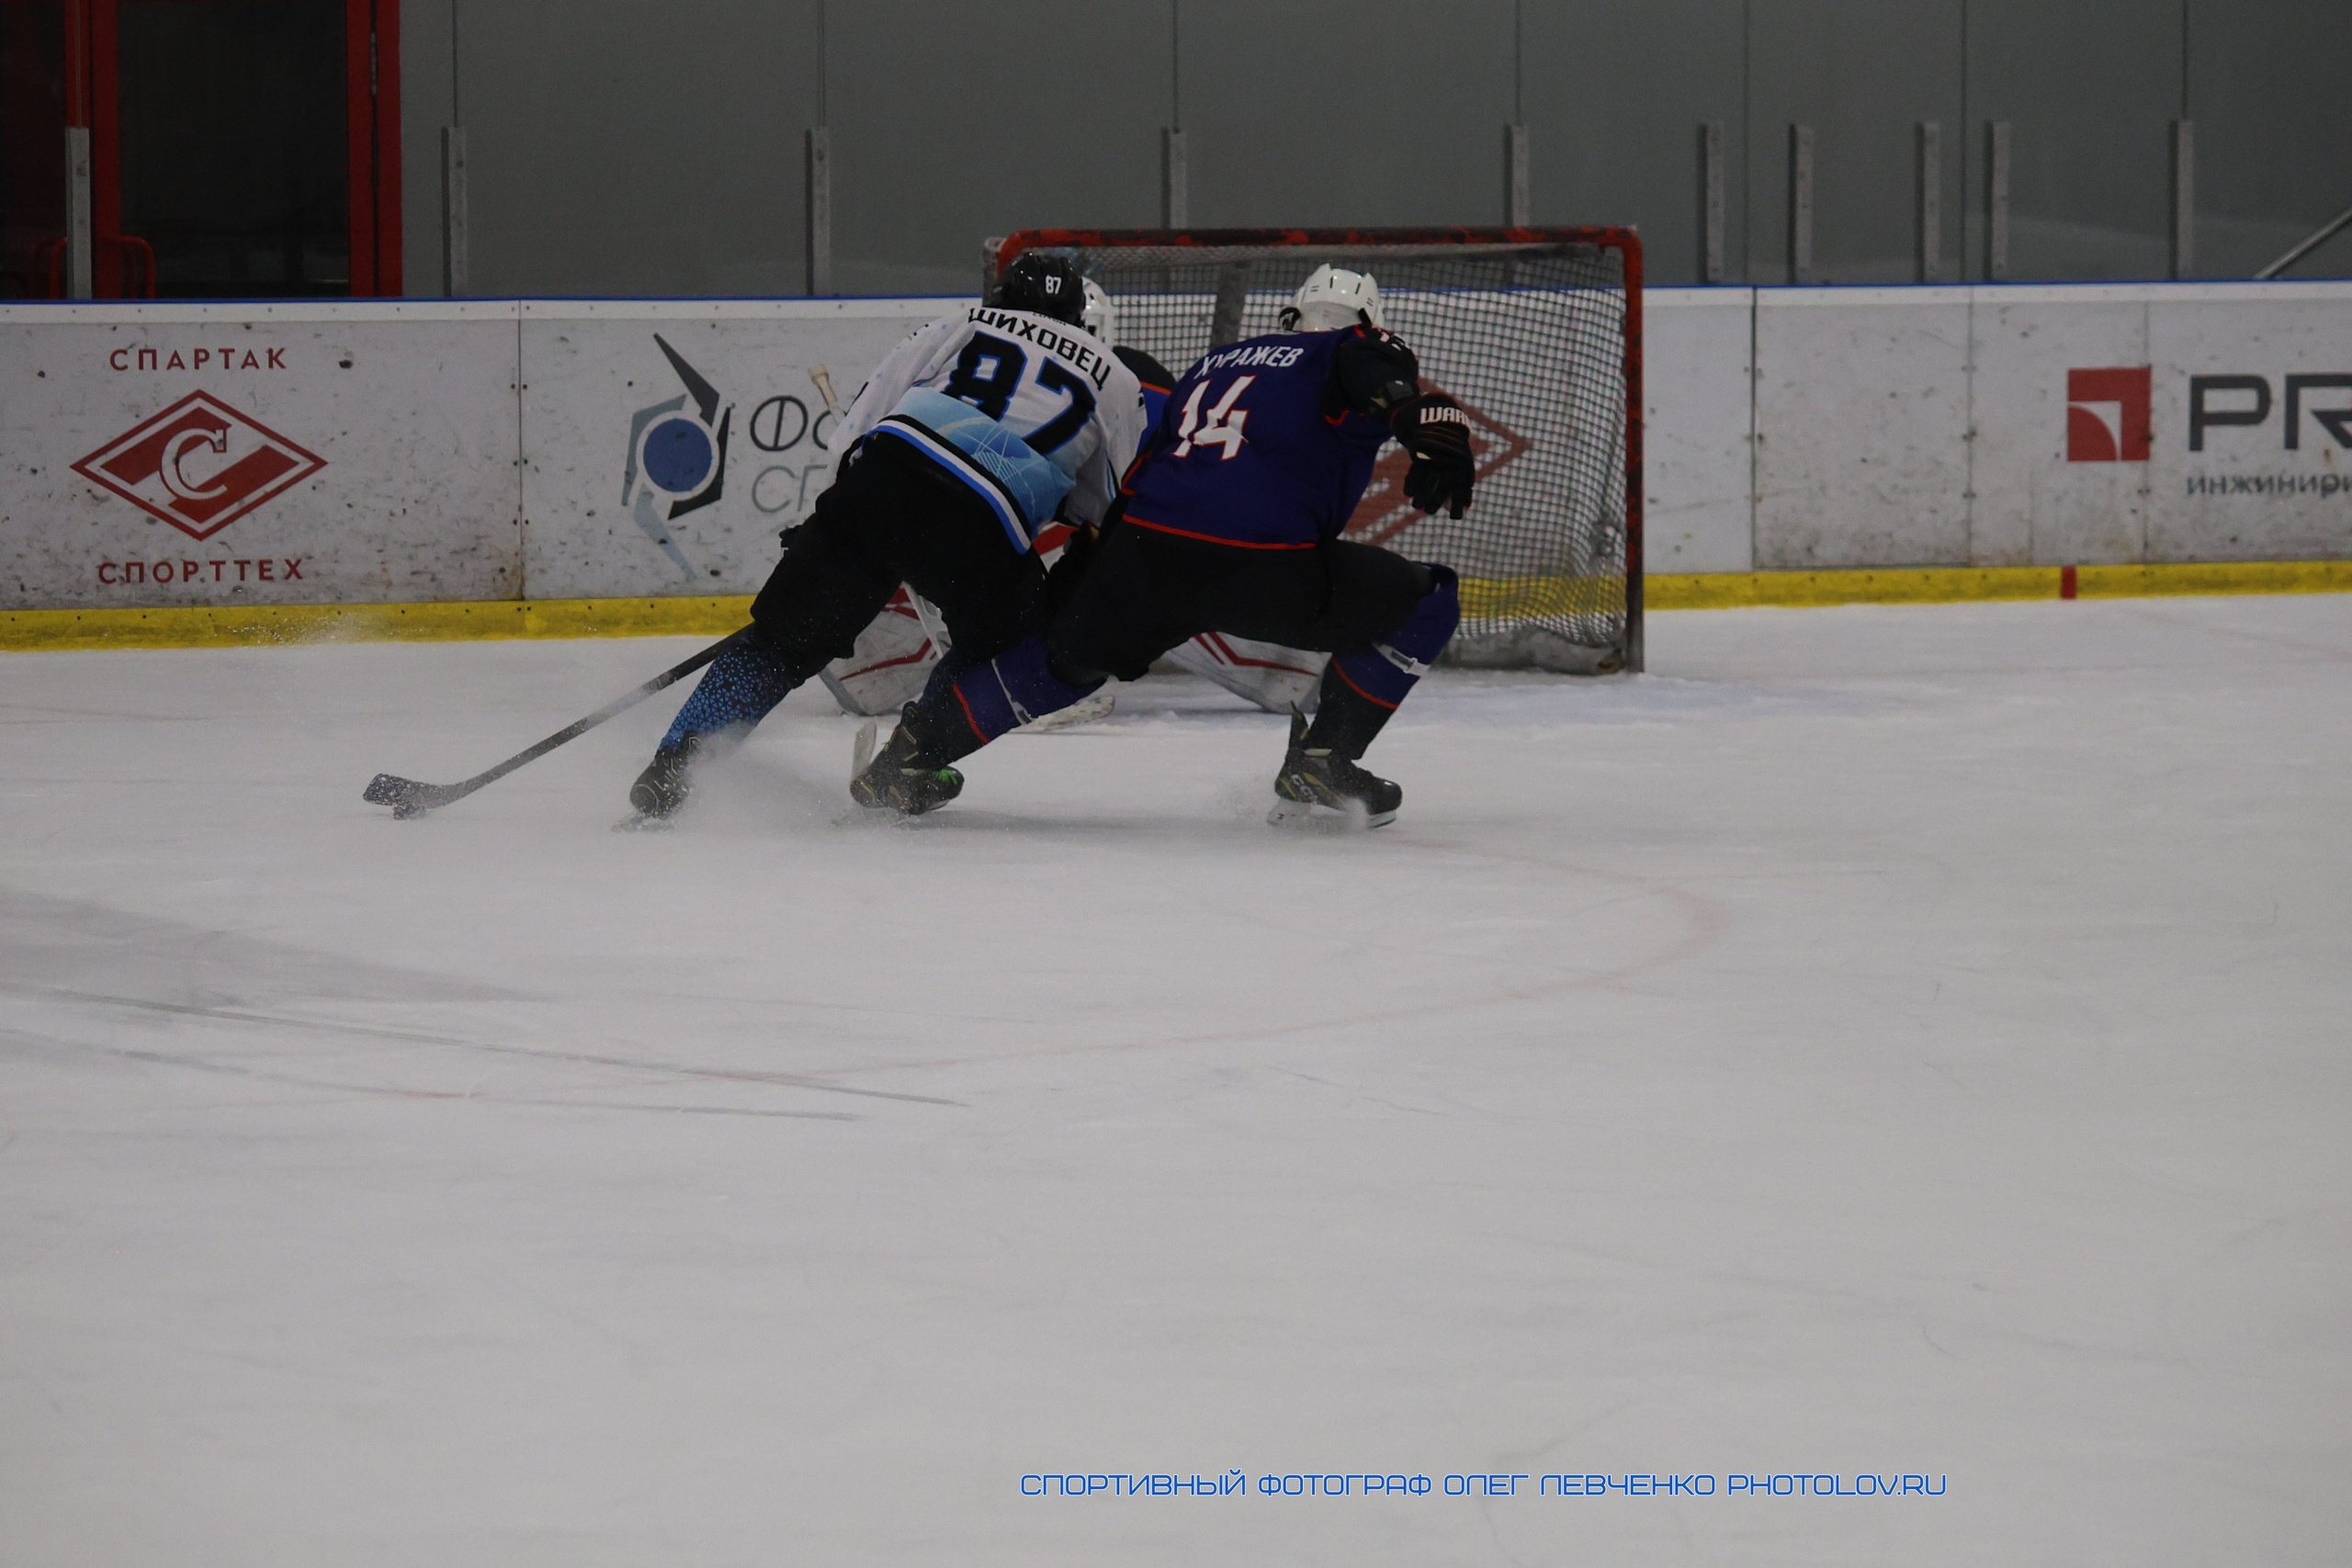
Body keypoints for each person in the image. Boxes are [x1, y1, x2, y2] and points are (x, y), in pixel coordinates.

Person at [850, 265, 1476, 829]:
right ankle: (1324, 759)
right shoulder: (1354, 348)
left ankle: (909, 757)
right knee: (1428, 602)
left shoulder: (1221, 360)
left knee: (1057, 667)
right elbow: (1372, 369)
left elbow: (1144, 463)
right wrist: (1410, 412)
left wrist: (1091, 572)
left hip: (1144, 550)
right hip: (1262, 558)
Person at [625, 253, 1145, 820]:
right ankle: (912, 759)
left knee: (782, 643)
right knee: (1003, 647)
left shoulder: (962, 322)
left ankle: (673, 768)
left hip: (882, 483)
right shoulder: (1116, 377)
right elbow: (1110, 508)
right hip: (984, 526)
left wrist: (828, 520)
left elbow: (862, 420)